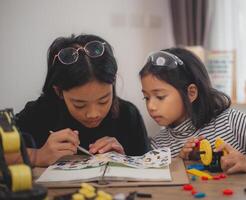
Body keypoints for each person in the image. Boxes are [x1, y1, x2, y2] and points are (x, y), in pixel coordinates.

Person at [139, 48, 246, 174]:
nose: (151, 106)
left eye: (159, 97)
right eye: (146, 98)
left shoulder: (228, 121)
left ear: (191, 93)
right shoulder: (158, 144)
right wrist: (180, 161)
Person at [11, 34, 149, 166]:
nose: (93, 114)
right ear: (59, 91)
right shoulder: (40, 112)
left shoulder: (128, 115)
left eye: (103, 101)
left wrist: (125, 161)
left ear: (112, 83)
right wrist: (38, 156)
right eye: (79, 105)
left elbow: (149, 167)